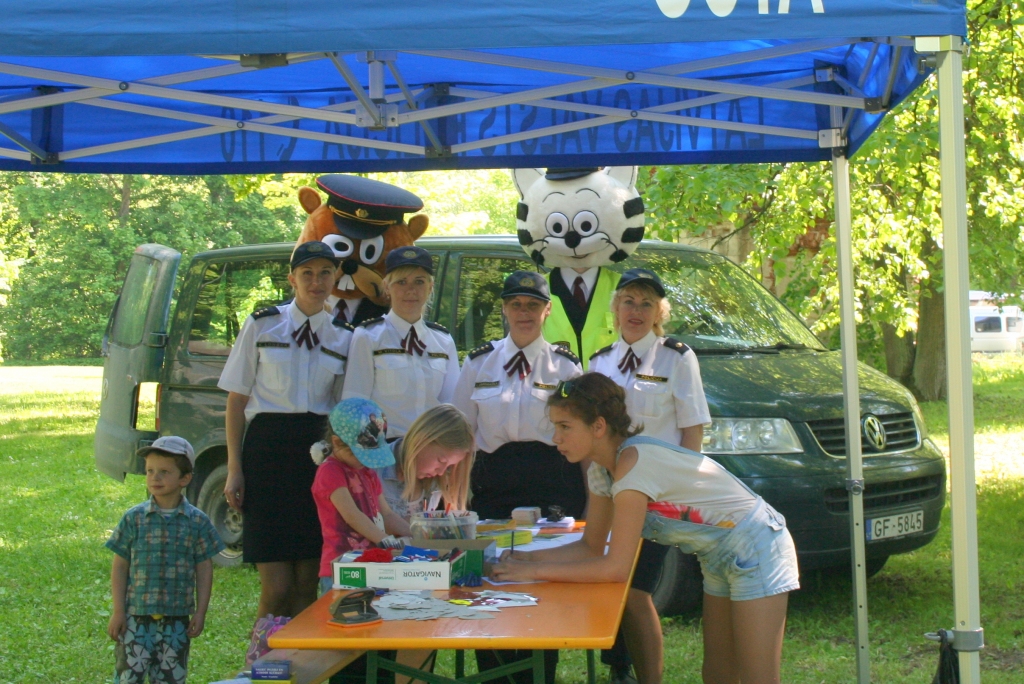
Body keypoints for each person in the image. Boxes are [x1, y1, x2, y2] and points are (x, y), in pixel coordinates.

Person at [492, 373, 799, 684]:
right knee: (718, 676)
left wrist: (532, 573)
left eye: (565, 427)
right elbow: (589, 547)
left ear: (598, 426)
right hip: (717, 555)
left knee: (758, 677)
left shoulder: (633, 466)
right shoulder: (603, 470)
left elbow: (616, 569)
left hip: (757, 544)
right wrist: (523, 561)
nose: (555, 438)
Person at [452, 270, 584, 684]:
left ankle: (539, 674)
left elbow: (580, 439)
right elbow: (461, 438)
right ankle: (492, 675)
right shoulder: (478, 362)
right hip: (493, 487)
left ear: (547, 310)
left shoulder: (566, 366)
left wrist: (595, 502)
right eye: (515, 304)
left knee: (542, 578)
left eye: (532, 305)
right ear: (505, 309)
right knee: (486, 580)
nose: (523, 313)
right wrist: (454, 504)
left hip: (553, 484)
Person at [588, 268, 711, 683]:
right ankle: (618, 667)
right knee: (615, 585)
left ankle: (648, 677)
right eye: (628, 301)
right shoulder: (600, 361)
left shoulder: (676, 357)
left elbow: (693, 428)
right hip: (612, 491)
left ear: (659, 311)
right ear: (616, 307)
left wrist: (684, 492)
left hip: (657, 494)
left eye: (646, 303)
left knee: (636, 589)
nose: (635, 311)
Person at [218, 241, 351, 620]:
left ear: (336, 278)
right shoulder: (262, 325)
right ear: (292, 279)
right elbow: (236, 401)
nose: (316, 281)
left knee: (306, 586)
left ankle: (298, 669)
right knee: (275, 588)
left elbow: (342, 409)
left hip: (317, 458)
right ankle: (258, 670)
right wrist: (234, 467)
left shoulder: (345, 336)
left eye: (325, 273)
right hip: (267, 454)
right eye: (307, 273)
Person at [106, 436, 225, 684]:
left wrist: (200, 612)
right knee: (129, 677)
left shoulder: (197, 521)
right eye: (150, 471)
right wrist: (119, 611)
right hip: (135, 618)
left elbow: (204, 569)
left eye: (164, 472)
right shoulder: (134, 518)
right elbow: (120, 566)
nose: (154, 478)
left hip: (177, 619)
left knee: (171, 678)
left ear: (185, 478)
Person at [343, 245, 460, 439]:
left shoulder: (443, 341)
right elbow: (355, 403)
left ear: (430, 287)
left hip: (432, 448)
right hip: (385, 448)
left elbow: (452, 403)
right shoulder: (368, 337)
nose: (411, 290)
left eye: (419, 281)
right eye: (401, 282)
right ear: (387, 287)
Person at [311, 397, 412, 597]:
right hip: (342, 568)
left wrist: (416, 535)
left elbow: (387, 514)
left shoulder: (367, 472)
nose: (366, 461)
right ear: (337, 442)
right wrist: (387, 541)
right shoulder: (330, 472)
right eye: (361, 454)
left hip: (371, 564)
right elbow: (352, 515)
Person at [379, 403, 475, 521]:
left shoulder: (434, 484)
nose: (441, 472)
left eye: (449, 467)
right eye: (441, 461)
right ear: (422, 440)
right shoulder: (374, 467)